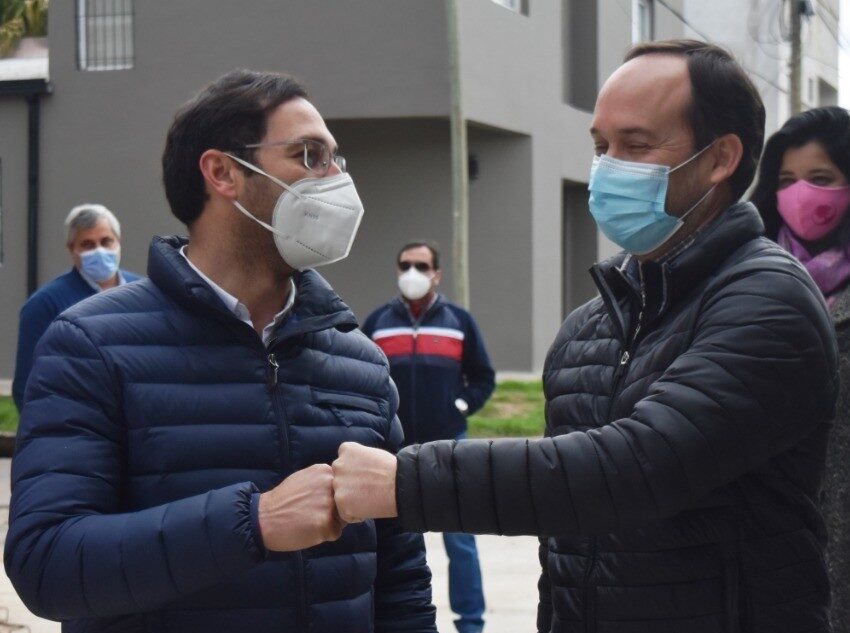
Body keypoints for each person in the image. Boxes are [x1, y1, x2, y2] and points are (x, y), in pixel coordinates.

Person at [332, 40, 839, 633]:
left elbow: (633, 470)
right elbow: (564, 541)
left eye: (636, 145)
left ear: (721, 157)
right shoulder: (588, 325)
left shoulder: (768, 299)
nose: (607, 168)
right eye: (601, 146)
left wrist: (403, 482)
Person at [5, 70, 435, 633]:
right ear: (222, 172)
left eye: (336, 160)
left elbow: (401, 579)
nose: (336, 180)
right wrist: (253, 523)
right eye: (309, 155)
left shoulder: (360, 363)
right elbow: (47, 563)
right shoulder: (91, 346)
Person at [750, 106, 850, 632]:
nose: (801, 194)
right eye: (787, 180)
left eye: (821, 178)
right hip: (766, 537)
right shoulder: (743, 278)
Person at [361, 241, 495, 633]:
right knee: (391, 544)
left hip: (449, 446)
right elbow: (363, 377)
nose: (412, 273)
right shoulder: (378, 323)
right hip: (394, 450)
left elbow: (483, 377)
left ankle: (471, 624)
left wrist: (460, 406)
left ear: (437, 273)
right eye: (405, 265)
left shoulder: (458, 321)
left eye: (421, 266)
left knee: (461, 541)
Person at [12, 203, 140, 410]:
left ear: (119, 241)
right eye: (88, 244)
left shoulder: (144, 293)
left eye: (106, 241)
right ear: (72, 249)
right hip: (77, 419)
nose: (99, 251)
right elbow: (26, 385)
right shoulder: (44, 305)